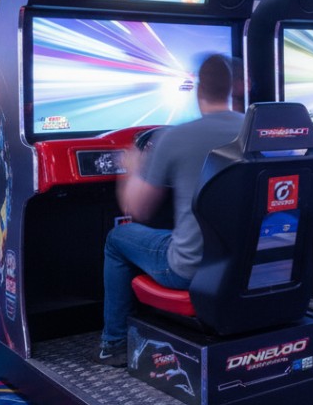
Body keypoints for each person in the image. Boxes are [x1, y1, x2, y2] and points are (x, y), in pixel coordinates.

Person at [92, 54, 243, 366]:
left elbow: (138, 209)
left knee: (118, 238)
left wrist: (132, 169)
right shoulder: (254, 131)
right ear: (231, 89)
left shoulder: (176, 137)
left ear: (199, 89)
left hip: (189, 270)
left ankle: (114, 343)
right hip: (247, 262)